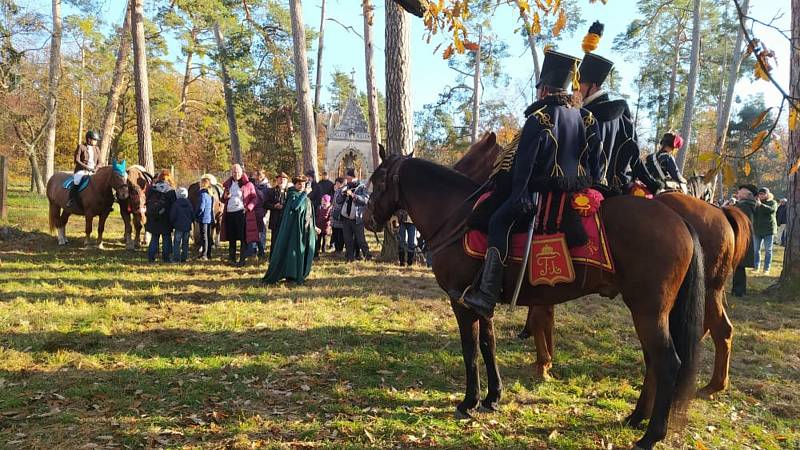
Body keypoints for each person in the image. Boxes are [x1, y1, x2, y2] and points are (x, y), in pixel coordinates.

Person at [462, 49, 603, 319]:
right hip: (572, 194)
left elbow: (523, 167)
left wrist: (518, 195)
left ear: (544, 91)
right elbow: (594, 159)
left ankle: (487, 294)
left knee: (497, 222)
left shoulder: (539, 119)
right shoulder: (584, 117)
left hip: (541, 196)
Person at [576, 22, 661, 194]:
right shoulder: (622, 112)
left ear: (594, 86)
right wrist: (650, 183)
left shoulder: (584, 115)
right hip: (618, 188)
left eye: (579, 86)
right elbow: (634, 153)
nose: (575, 91)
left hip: (585, 189)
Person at [263, 175, 317, 284]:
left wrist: (314, 227)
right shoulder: (293, 195)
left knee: (303, 251)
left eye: (303, 183)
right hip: (294, 231)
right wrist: (304, 193)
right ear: (295, 184)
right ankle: (291, 275)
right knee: (293, 252)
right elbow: (295, 206)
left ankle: (300, 274)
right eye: (299, 183)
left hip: (304, 229)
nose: (301, 185)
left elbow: (308, 213)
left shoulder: (304, 196)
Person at [221, 164, 258, 265]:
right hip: (229, 213)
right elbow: (223, 199)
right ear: (231, 173)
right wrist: (224, 196)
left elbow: (255, 198)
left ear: (242, 173)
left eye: (237, 172)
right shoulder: (228, 184)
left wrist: (249, 207)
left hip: (241, 213)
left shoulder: (248, 184)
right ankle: (231, 258)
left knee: (243, 237)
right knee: (231, 237)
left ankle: (242, 259)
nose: (236, 174)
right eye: (234, 172)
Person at [336, 168, 372, 262]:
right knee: (347, 240)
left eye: (348, 177)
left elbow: (365, 200)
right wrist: (342, 194)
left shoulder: (362, 187)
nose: (346, 179)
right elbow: (338, 201)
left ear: (353, 177)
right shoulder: (345, 186)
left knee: (360, 240)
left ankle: (367, 256)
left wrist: (353, 196)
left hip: (357, 218)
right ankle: (350, 258)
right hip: (345, 218)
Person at [145, 169, 177, 262]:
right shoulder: (170, 190)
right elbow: (174, 205)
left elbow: (147, 201)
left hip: (153, 217)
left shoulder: (152, 188)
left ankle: (151, 257)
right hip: (166, 218)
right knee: (166, 238)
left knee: (154, 238)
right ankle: (166, 258)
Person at [732, 184, 757, 296]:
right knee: (738, 266)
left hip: (742, 238)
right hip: (741, 237)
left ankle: (739, 291)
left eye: (741, 191)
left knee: (739, 265)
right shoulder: (743, 205)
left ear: (748, 194)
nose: (738, 193)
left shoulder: (745, 206)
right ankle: (738, 289)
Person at [67, 130, 102, 209]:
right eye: (95, 140)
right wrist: (87, 168)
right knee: (77, 180)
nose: (96, 142)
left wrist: (95, 169)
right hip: (82, 171)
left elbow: (100, 162)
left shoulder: (97, 149)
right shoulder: (81, 147)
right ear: (89, 139)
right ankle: (71, 199)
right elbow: (77, 160)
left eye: (96, 140)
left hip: (94, 171)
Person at [753, 187, 778, 274]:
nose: (761, 195)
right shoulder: (756, 203)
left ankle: (766, 268)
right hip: (757, 230)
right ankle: (756, 267)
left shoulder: (773, 202)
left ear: (767, 194)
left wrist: (761, 205)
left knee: (768, 250)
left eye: (763, 194)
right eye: (760, 194)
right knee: (756, 250)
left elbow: (771, 210)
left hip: (768, 230)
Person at [265, 172, 290, 256]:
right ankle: (273, 258)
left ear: (287, 181)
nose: (282, 181)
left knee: (285, 241)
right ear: (277, 180)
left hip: (286, 220)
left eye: (284, 179)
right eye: (280, 179)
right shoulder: (272, 191)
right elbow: (265, 204)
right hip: (275, 219)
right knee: (274, 240)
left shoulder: (290, 192)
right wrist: (274, 206)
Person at [170, 187, 194, 263]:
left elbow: (172, 215)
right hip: (187, 227)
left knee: (177, 243)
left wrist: (172, 223)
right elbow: (192, 215)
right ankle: (184, 257)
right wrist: (191, 221)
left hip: (178, 226)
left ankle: (176, 258)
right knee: (185, 243)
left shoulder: (176, 204)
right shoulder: (189, 203)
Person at [252, 170, 270, 260]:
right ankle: (253, 250)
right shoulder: (253, 184)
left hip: (263, 211)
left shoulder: (266, 186)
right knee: (253, 230)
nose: (256, 177)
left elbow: (266, 199)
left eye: (258, 175)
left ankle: (261, 250)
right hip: (253, 210)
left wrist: (264, 211)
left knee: (261, 232)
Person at [195, 177, 214, 260]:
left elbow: (201, 207)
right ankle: (208, 253)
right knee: (208, 236)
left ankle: (204, 254)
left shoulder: (203, 194)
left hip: (203, 218)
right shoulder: (210, 194)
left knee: (204, 237)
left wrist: (197, 214)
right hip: (209, 217)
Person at [330, 177, 346, 254]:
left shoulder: (342, 191)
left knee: (340, 234)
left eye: (337, 183)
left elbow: (339, 201)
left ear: (341, 184)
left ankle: (339, 249)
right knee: (335, 233)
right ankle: (336, 249)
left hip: (339, 215)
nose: (335, 185)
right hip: (334, 215)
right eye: (335, 183)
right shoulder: (337, 191)